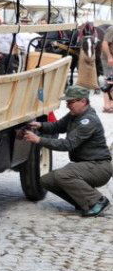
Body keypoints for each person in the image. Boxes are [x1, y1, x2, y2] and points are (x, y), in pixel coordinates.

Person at [23, 84, 112, 217]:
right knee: (47, 180)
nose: (68, 105)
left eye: (71, 102)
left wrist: (38, 140)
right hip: (86, 165)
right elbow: (57, 126)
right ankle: (83, 202)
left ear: (83, 101)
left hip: (99, 167)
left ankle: (98, 201)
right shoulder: (74, 115)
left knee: (63, 175)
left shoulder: (88, 121)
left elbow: (67, 144)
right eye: (67, 102)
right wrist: (40, 125)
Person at [101, 26, 113, 112]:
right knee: (109, 82)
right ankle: (107, 105)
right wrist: (109, 57)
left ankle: (111, 103)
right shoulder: (112, 29)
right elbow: (104, 43)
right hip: (109, 58)